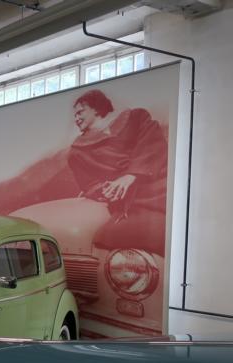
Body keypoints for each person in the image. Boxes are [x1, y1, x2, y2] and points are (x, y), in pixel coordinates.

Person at [68, 89, 167, 255]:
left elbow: (153, 147)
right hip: (128, 202)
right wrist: (107, 190)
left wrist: (130, 176)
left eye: (80, 112)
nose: (76, 119)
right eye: (75, 115)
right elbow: (90, 184)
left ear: (96, 109)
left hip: (158, 190)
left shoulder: (136, 118)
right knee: (110, 236)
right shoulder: (77, 152)